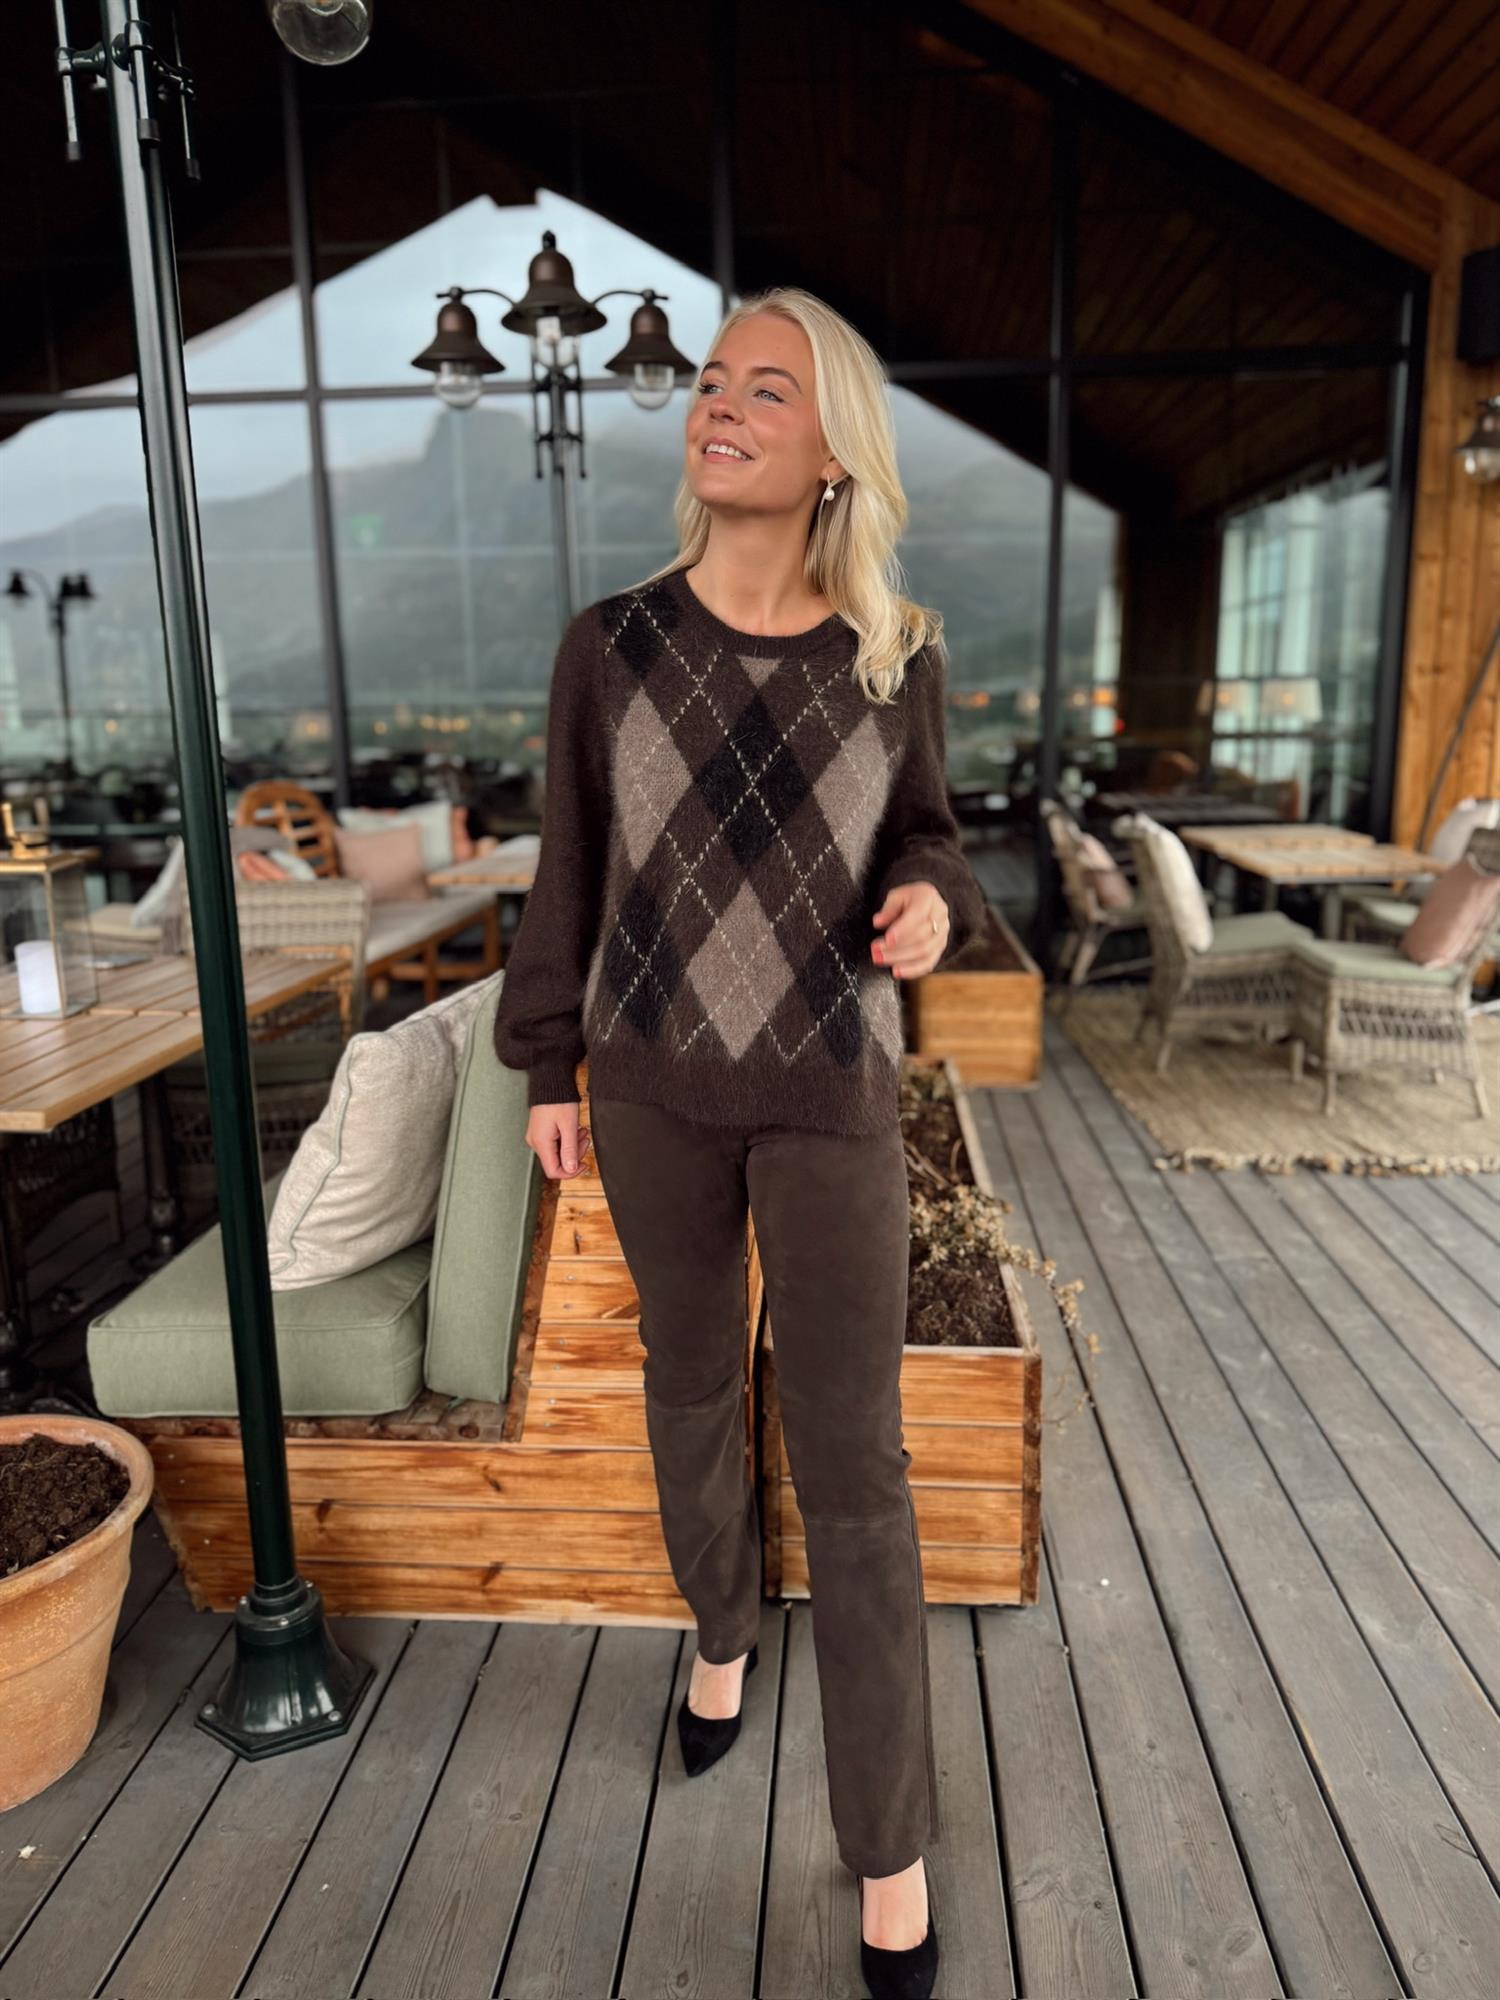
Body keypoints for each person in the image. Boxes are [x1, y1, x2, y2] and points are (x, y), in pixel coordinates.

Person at [493, 284, 985, 2000]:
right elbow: (567, 869)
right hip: (647, 1087)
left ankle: (889, 1852)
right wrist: (546, 1067)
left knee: (858, 1468)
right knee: (691, 1385)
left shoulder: (894, 656)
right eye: (713, 381)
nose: (720, 405)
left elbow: (931, 838)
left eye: (766, 390)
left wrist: (929, 900)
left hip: (829, 1088)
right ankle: (720, 1632)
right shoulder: (611, 645)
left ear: (834, 448)